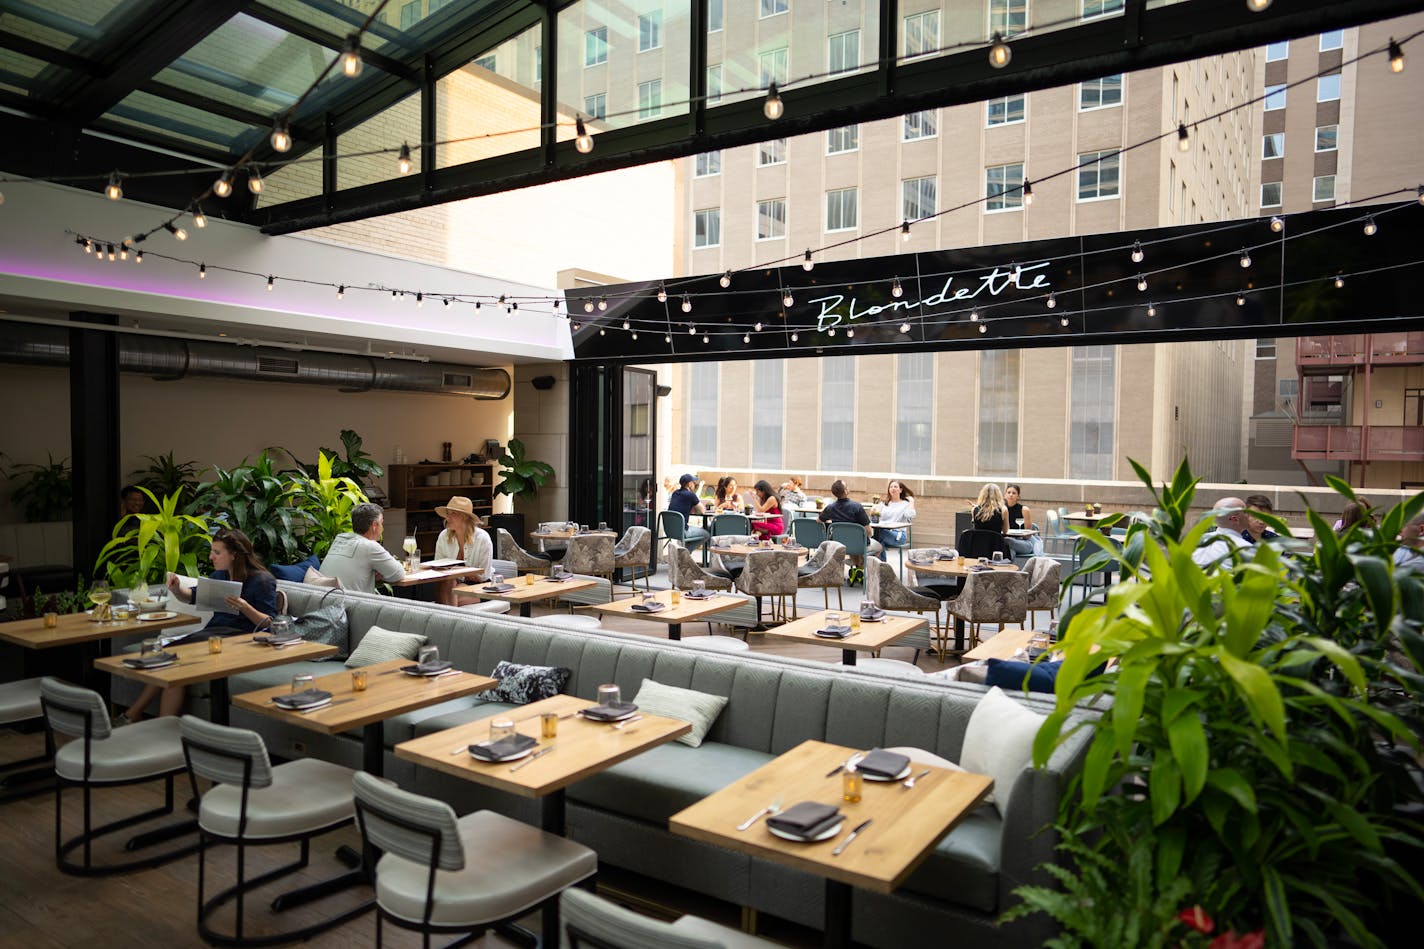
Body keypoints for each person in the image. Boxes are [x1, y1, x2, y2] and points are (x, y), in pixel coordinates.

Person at [124, 528, 278, 720]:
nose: (211, 557)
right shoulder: (219, 577)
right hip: (214, 633)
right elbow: (193, 596)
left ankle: (133, 714)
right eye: (212, 551)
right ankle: (151, 722)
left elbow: (270, 624)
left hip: (240, 638)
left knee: (172, 657)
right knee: (171, 663)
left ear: (234, 555)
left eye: (217, 552)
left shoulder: (262, 581)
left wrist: (245, 607)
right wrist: (177, 589)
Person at [319, 501, 406, 593]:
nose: (382, 528)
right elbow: (398, 574)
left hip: (324, 601)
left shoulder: (340, 539)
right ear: (374, 525)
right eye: (381, 523)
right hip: (348, 605)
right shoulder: (369, 546)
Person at [818, 479, 882, 572]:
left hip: (839, 544)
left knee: (853, 545)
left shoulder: (830, 508)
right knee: (879, 548)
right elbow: (868, 531)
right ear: (846, 491)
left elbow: (819, 520)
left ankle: (858, 567)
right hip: (858, 544)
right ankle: (864, 568)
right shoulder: (857, 507)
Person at [433, 495, 492, 573]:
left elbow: (483, 575)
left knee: (452, 582)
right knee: (450, 581)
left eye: (453, 513)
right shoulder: (444, 536)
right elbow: (437, 568)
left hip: (479, 583)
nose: (447, 518)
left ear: (465, 517)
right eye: (447, 513)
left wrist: (456, 573)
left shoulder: (482, 538)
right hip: (450, 580)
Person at [1191, 497, 1253, 568]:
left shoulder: (1195, 541)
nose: (1249, 515)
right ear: (1235, 519)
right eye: (1245, 512)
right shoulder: (1245, 549)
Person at [873, 479, 917, 560]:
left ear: (900, 490)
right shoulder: (884, 503)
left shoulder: (905, 504)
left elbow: (910, 515)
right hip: (882, 532)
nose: (893, 488)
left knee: (875, 539)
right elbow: (875, 516)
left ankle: (876, 562)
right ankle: (881, 566)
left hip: (898, 535)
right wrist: (875, 506)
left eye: (895, 487)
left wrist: (911, 502)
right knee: (877, 538)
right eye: (891, 487)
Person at [666, 473, 710, 547]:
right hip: (683, 531)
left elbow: (680, 506)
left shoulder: (675, 493)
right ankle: (686, 553)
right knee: (706, 534)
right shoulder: (691, 495)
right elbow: (702, 511)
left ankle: (683, 553)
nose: (694, 485)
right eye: (694, 483)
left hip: (670, 530)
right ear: (690, 484)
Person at [1004, 483, 1045, 560]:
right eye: (1008, 492)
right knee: (1010, 550)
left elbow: (1028, 535)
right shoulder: (1001, 509)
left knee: (1007, 541)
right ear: (1005, 495)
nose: (1011, 495)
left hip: (1024, 543)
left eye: (1014, 493)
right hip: (1009, 543)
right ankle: (1008, 569)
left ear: (1018, 496)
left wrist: (1016, 534)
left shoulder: (1024, 510)